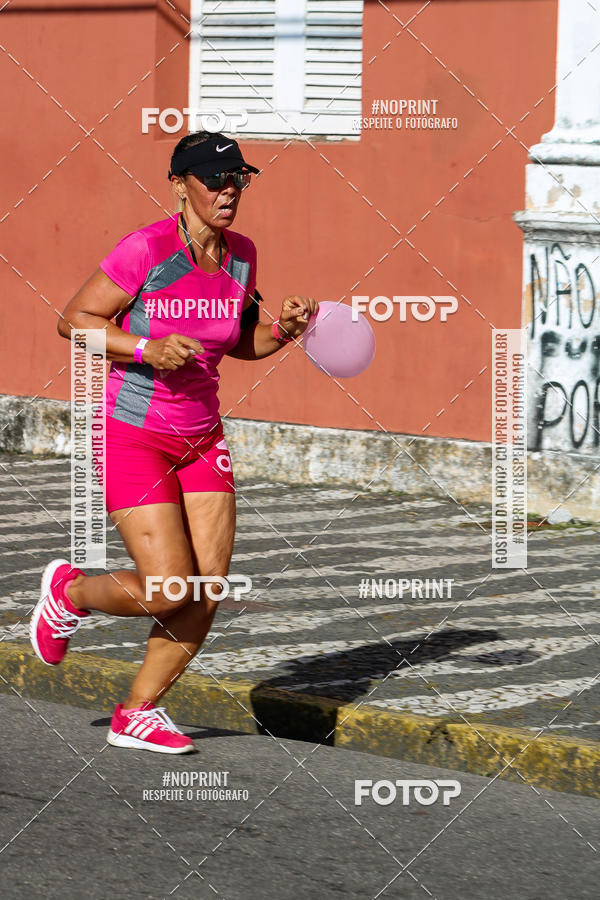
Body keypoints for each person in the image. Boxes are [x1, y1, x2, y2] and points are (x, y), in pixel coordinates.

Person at [29, 131, 319, 754]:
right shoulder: (147, 249)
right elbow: (73, 321)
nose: (228, 190)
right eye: (214, 179)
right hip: (133, 432)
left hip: (201, 433)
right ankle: (69, 592)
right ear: (179, 185)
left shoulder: (241, 256)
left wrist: (284, 330)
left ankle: (138, 711)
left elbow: (241, 344)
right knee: (167, 587)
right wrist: (146, 348)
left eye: (237, 178)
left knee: (206, 588)